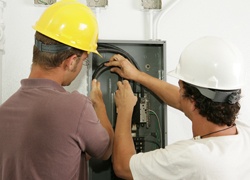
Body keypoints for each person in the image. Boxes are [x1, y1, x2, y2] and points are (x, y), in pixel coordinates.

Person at [105, 36, 250, 179]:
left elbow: (123, 167)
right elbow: (183, 101)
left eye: (180, 88)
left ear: (193, 101)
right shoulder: (244, 136)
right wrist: (138, 75)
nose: (179, 92)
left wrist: (125, 109)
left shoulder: (194, 157)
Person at [0, 0, 114, 180]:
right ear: (71, 61)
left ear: (35, 49)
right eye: (83, 61)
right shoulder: (77, 107)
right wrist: (99, 104)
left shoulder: (3, 112)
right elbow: (105, 150)